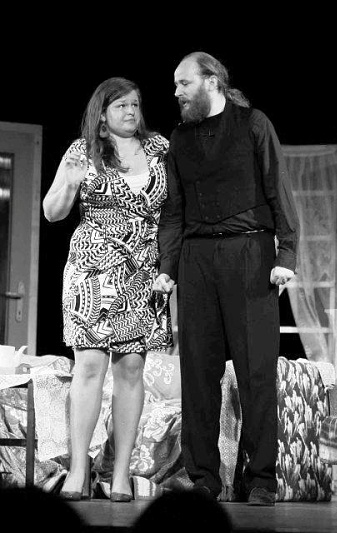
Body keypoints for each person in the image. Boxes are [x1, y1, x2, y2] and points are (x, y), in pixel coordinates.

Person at [153, 51, 298, 506]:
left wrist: (286, 253)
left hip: (249, 253)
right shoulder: (180, 138)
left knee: (256, 372)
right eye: (175, 85)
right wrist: (167, 268)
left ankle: (261, 479)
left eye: (183, 83)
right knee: (198, 373)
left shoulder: (253, 125)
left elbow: (278, 187)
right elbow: (173, 211)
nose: (176, 92)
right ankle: (204, 478)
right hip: (196, 258)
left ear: (211, 81)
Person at [43, 77, 172, 502]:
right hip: (91, 272)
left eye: (135, 104)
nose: (131, 112)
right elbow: (52, 212)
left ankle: (119, 474)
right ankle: (79, 470)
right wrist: (69, 183)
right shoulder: (82, 151)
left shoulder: (159, 149)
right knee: (89, 367)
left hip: (143, 272)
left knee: (131, 369)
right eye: (121, 106)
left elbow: (175, 210)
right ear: (102, 113)